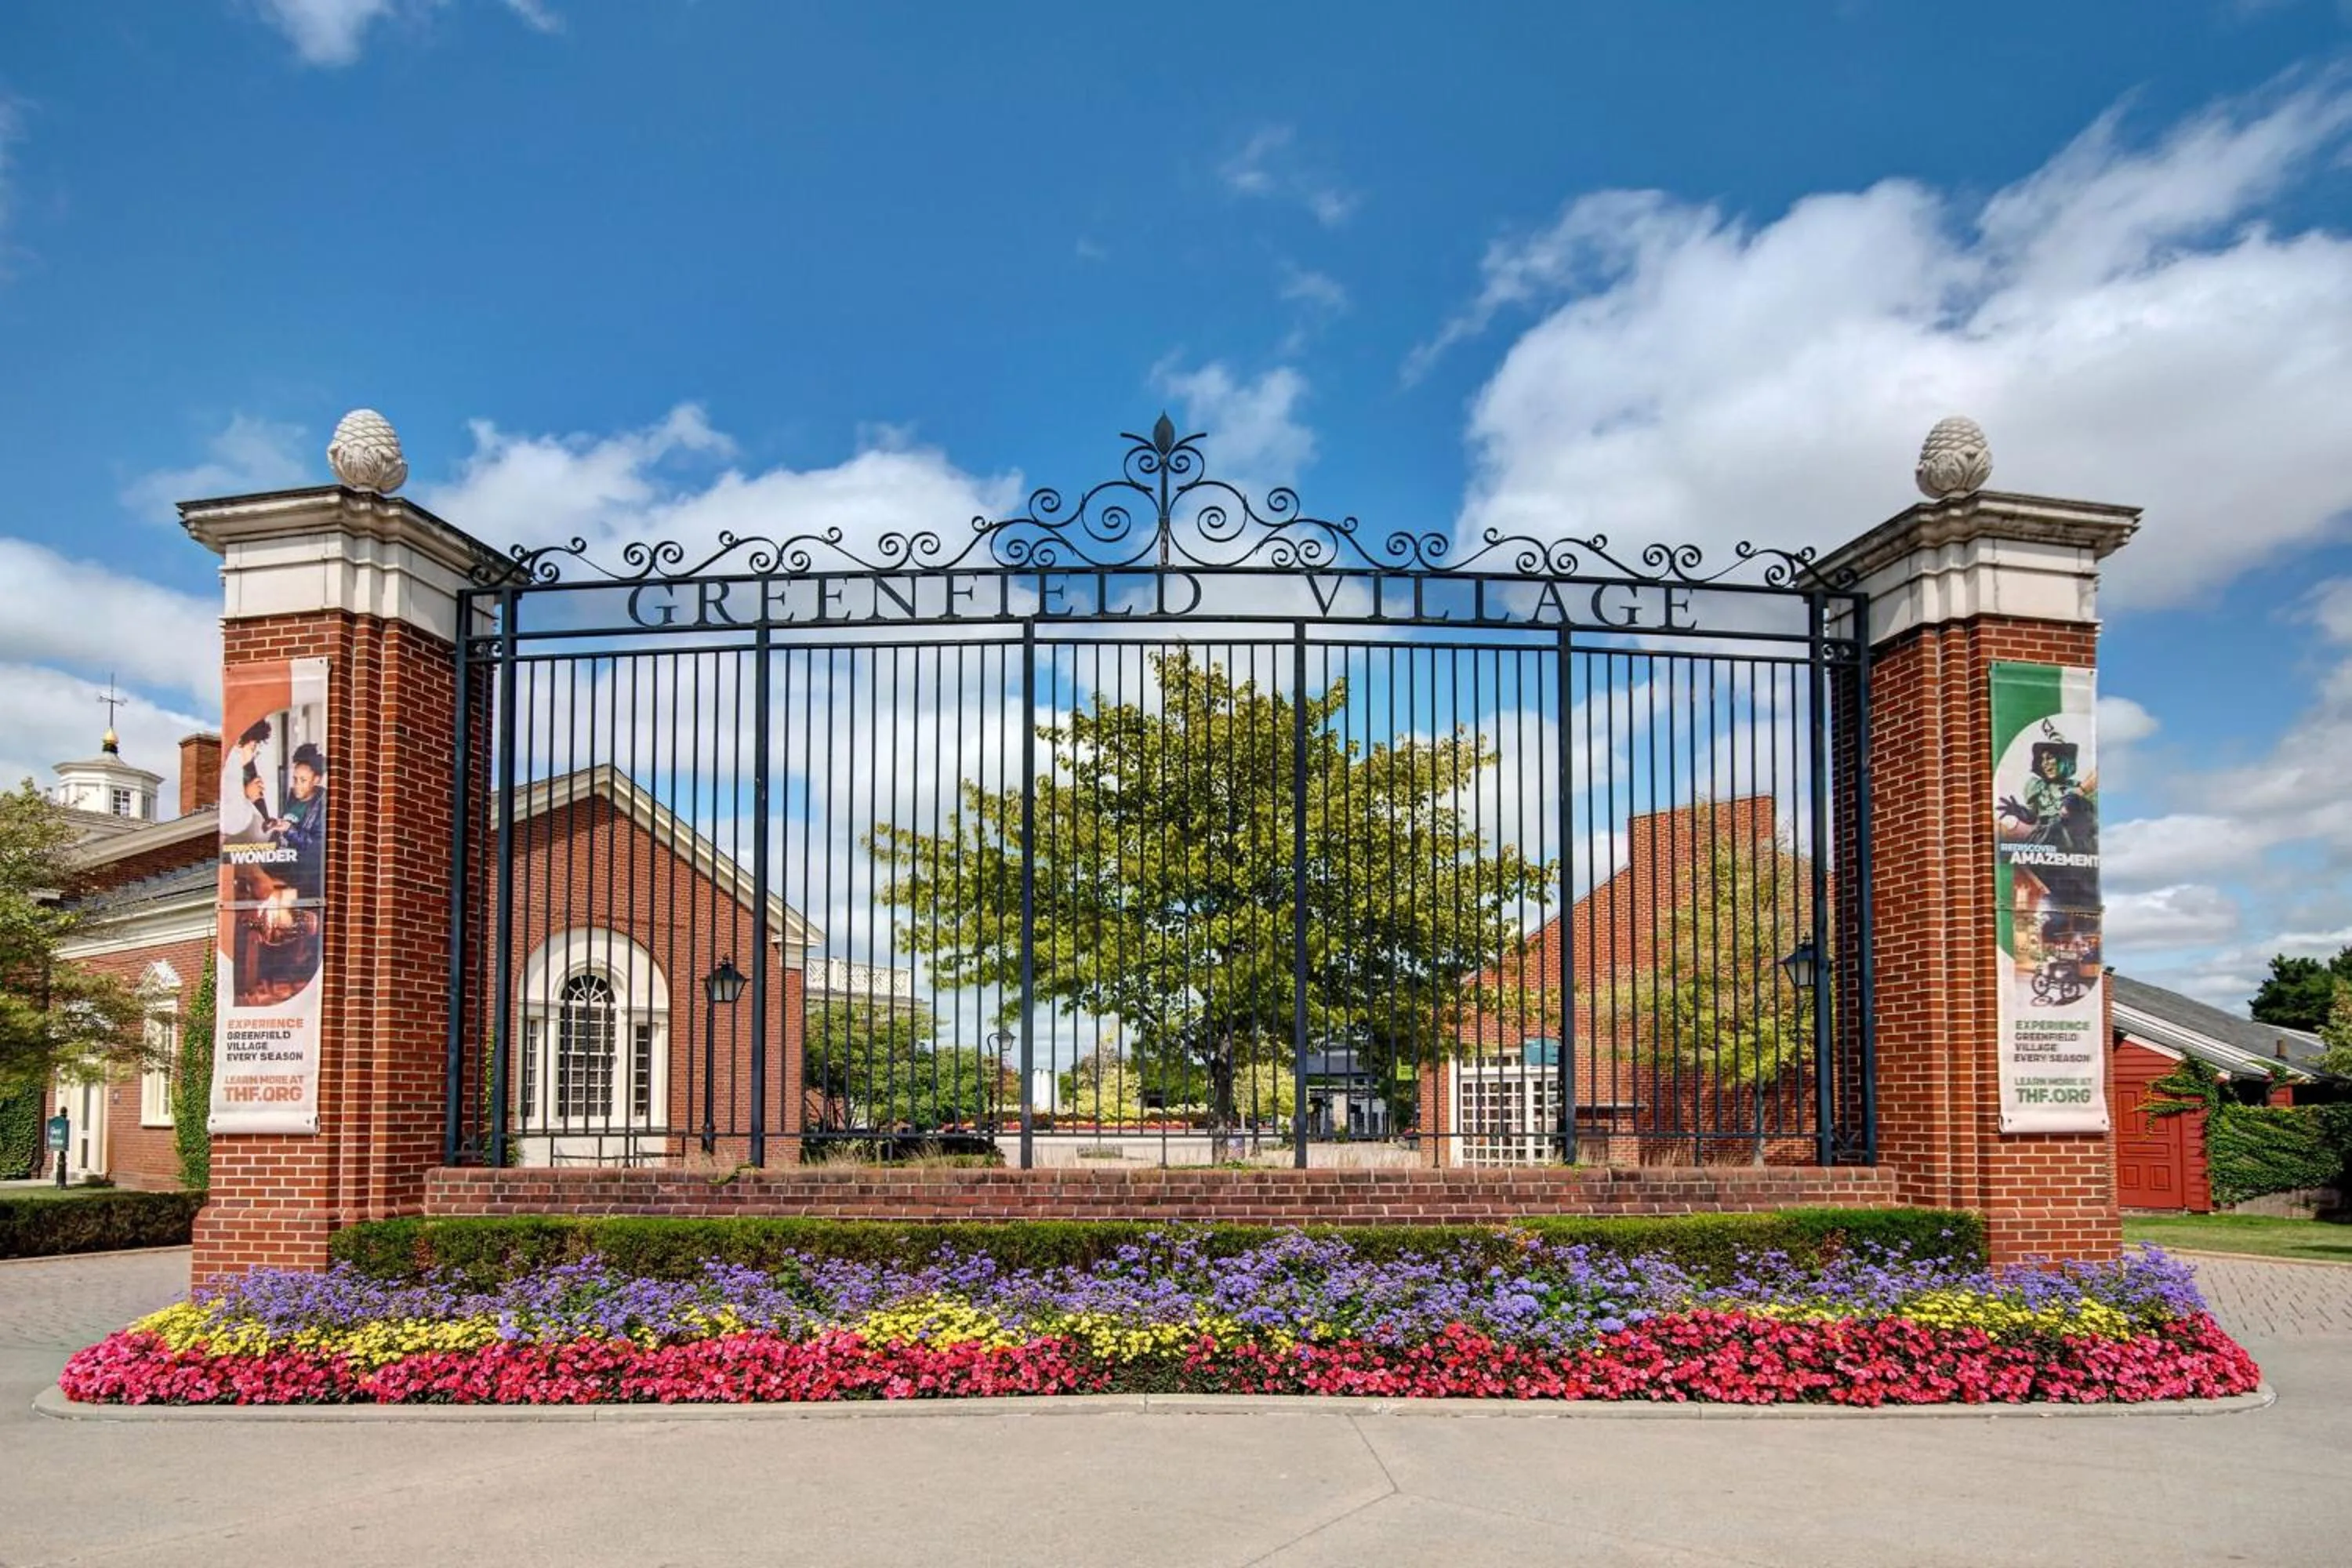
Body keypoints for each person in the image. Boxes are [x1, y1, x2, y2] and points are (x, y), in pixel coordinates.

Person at [274, 742, 328, 899]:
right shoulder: (290, 797)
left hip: (307, 882)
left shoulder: (324, 804)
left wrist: (289, 831)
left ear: (316, 780)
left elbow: (317, 847)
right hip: (285, 874)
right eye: (295, 779)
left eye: (303, 780)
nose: (297, 785)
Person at [219, 720, 274, 843]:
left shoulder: (244, 769)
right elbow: (230, 824)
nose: (254, 755)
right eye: (253, 747)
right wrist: (246, 793)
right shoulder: (231, 767)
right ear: (239, 743)